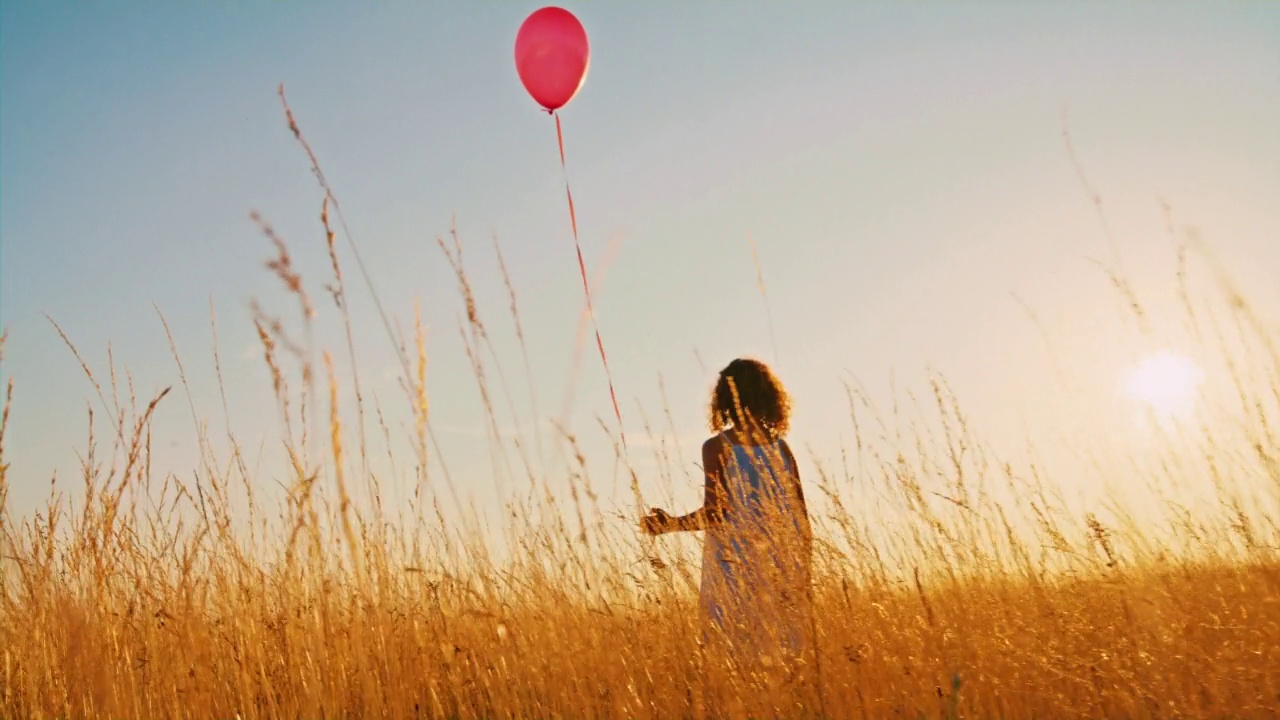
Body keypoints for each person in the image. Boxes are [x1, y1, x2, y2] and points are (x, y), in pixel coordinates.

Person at [641, 358, 818, 715]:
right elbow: (802, 518)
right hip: (781, 568)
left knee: (732, 661)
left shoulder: (717, 447)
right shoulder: (782, 449)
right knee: (782, 664)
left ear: (724, 399)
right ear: (768, 397)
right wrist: (801, 575)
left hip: (732, 571)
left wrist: (668, 524)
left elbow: (717, 512)